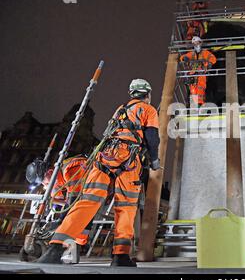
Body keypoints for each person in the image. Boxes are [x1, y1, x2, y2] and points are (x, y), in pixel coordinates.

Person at [37, 79, 161, 267]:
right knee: (126, 207)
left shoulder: (121, 109)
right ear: (147, 94)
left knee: (88, 200)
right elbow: (152, 138)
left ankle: (56, 248)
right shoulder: (148, 110)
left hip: (104, 157)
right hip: (128, 158)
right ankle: (120, 256)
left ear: (132, 93)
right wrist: (154, 161)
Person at [42, 155, 92, 262]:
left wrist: (60, 220)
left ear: (51, 172)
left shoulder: (71, 168)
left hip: (93, 196)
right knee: (78, 215)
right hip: (89, 197)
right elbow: (61, 197)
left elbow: (75, 197)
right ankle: (73, 253)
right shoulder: (60, 176)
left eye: (44, 182)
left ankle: (70, 252)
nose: (44, 185)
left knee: (79, 214)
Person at [179, 36, 216, 107]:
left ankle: (200, 104)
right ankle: (194, 105)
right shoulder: (191, 53)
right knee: (193, 89)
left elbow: (213, 58)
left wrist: (209, 63)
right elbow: (182, 57)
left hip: (201, 72)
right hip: (192, 74)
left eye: (197, 42)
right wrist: (185, 58)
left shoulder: (205, 53)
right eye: (194, 43)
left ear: (200, 43)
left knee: (200, 88)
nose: (196, 44)